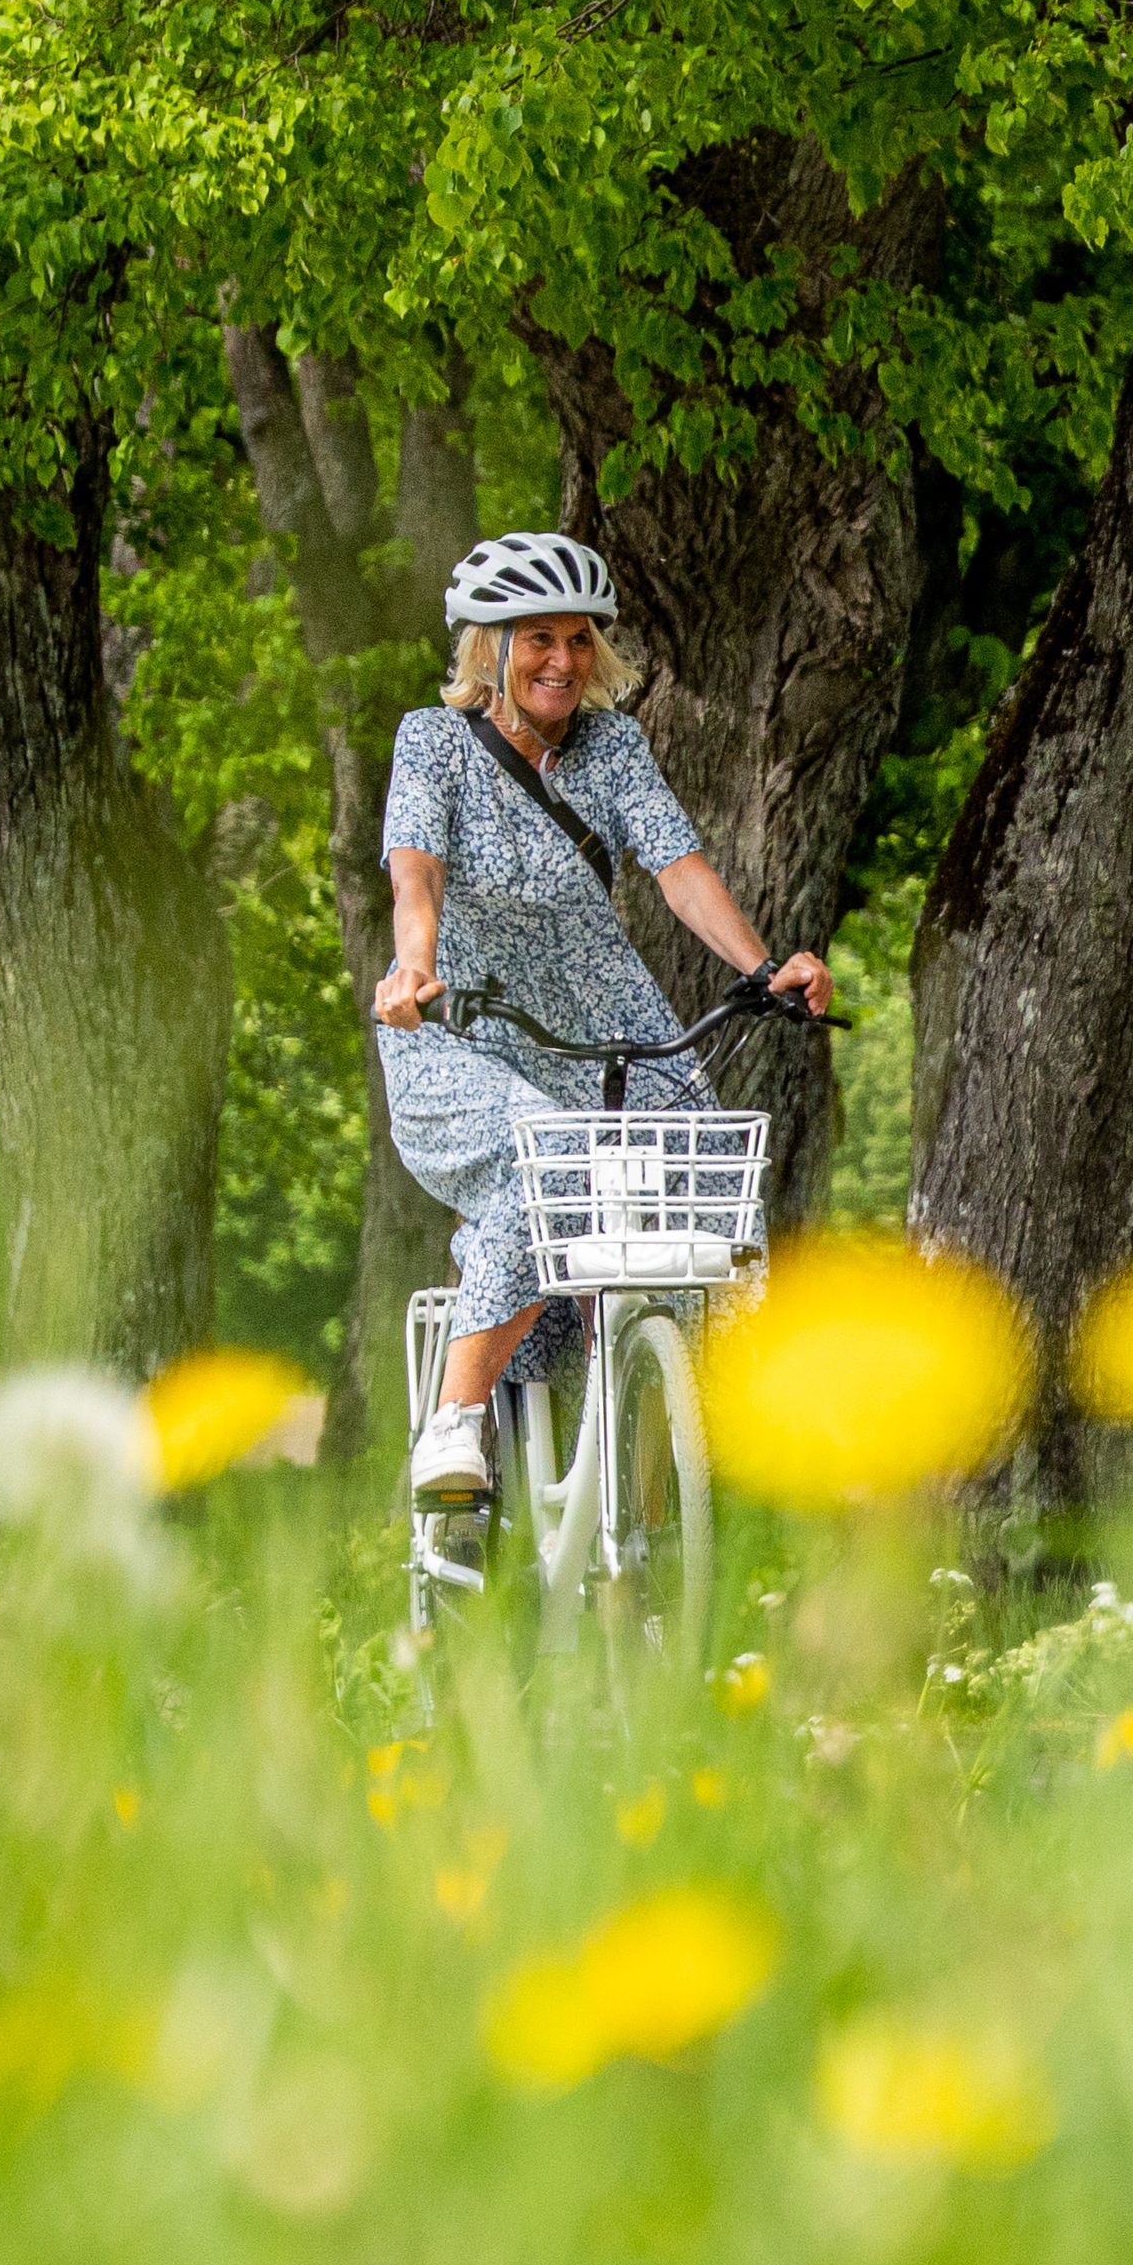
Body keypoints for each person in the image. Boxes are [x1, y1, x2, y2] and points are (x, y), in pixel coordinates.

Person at [367, 529, 831, 1525]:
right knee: (548, 1175)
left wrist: (762, 967)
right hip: (464, 1019)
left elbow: (678, 867)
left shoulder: (613, 746)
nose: (562, 661)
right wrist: (416, 964)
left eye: (578, 640)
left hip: (604, 1019)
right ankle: (457, 1416)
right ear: (487, 649)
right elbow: (417, 869)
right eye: (538, 638)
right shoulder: (434, 743)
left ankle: (660, 1518)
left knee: (705, 1205)